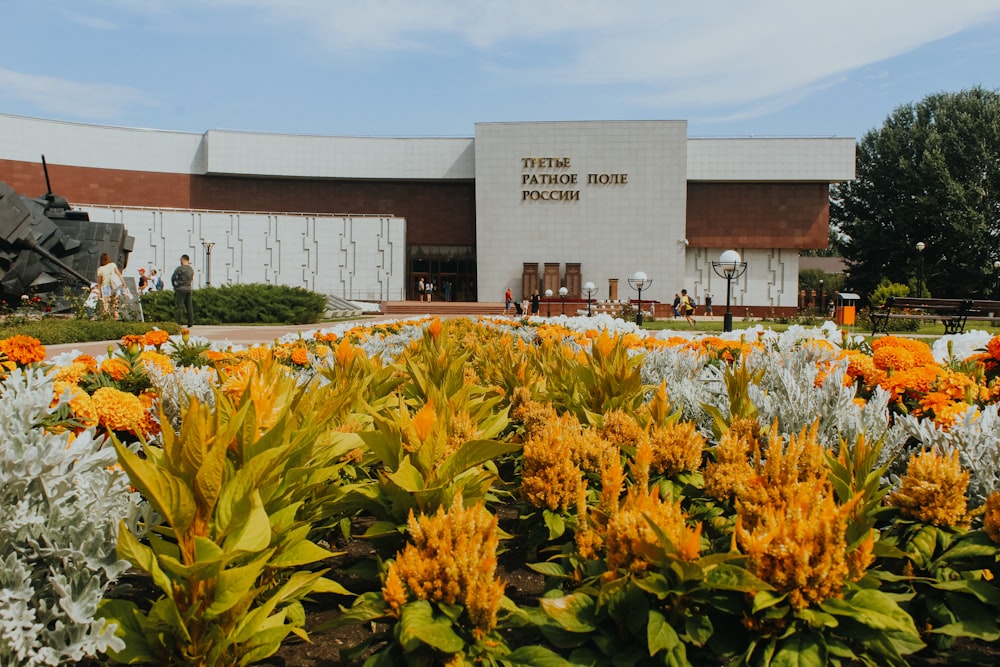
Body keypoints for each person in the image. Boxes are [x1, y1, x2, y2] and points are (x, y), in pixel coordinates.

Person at [96, 252, 126, 319]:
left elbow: (99, 283)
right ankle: (116, 316)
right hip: (115, 286)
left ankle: (106, 316)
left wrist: (99, 292)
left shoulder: (100, 269)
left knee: (106, 303)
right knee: (115, 302)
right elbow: (118, 274)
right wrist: (124, 283)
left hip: (106, 286)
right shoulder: (113, 265)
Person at [171, 254, 195, 327]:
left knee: (179, 307)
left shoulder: (179, 269)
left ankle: (178, 322)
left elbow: (173, 278)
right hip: (188, 289)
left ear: (183, 260)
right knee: (189, 306)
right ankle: (190, 322)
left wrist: (175, 285)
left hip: (180, 289)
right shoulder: (191, 269)